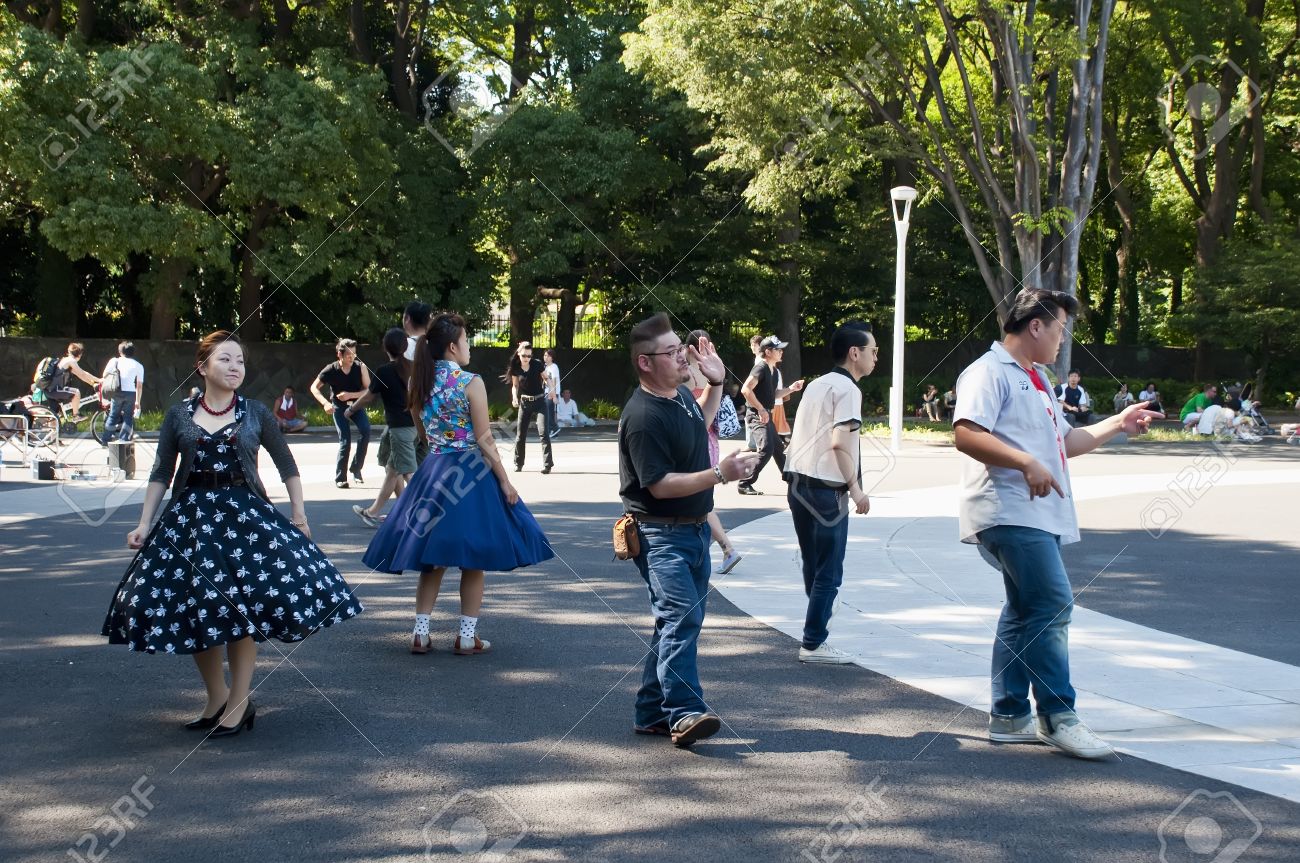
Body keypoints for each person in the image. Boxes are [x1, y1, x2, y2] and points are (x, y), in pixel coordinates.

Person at [101, 331, 362, 738]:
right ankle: (217, 697)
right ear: (202, 366)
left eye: (239, 360)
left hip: (245, 519)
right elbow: (160, 473)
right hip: (190, 522)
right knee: (200, 610)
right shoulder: (179, 415)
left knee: (242, 612)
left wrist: (299, 514)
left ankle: (239, 704)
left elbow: (286, 464)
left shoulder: (256, 412)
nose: (235, 367)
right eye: (225, 360)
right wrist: (143, 522)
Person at [952, 289, 1162, 760]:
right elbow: (966, 433)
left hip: (1035, 514)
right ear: (1035, 326)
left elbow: (1066, 442)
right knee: (1052, 603)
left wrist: (1118, 423)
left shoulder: (1038, 379)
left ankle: (1008, 715)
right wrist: (1025, 462)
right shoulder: (988, 372)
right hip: (1008, 510)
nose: (1062, 340)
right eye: (1061, 329)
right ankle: (1058, 716)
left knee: (1024, 609)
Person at [363, 313, 553, 655]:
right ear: (452, 346)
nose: (469, 348)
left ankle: (420, 632)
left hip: (434, 468)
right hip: (470, 471)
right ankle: (467, 636)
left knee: (431, 557)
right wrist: (506, 481)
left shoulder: (417, 382)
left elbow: (422, 434)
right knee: (473, 556)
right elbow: (484, 438)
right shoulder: (470, 381)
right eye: (466, 341)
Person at [618, 313, 760, 747]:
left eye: (682, 348)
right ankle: (684, 712)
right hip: (661, 535)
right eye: (673, 352)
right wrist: (720, 474)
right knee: (681, 617)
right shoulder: (642, 415)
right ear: (645, 362)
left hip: (694, 531)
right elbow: (658, 484)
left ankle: (650, 711)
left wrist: (715, 385)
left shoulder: (677, 396)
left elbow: (697, 423)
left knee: (671, 623)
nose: (685, 356)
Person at [785, 322, 877, 664]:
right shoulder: (849, 390)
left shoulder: (816, 385)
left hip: (797, 484)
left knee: (814, 561)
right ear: (855, 353)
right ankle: (813, 643)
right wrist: (856, 489)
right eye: (873, 351)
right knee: (830, 571)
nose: (875, 358)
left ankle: (816, 621)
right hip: (826, 491)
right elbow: (840, 443)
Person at [686, 330, 742, 575]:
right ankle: (724, 550)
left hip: (695, 441)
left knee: (702, 503)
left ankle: (727, 549)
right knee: (701, 499)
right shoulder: (713, 369)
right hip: (712, 441)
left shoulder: (687, 374)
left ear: (688, 349)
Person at [350, 328, 418, 528]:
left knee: (407, 472)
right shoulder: (415, 368)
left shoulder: (385, 371)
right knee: (392, 469)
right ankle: (374, 512)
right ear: (405, 346)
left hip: (399, 429)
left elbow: (369, 396)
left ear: (386, 348)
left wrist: (351, 409)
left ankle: (424, 511)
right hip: (413, 426)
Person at [737, 335, 803, 495]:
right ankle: (744, 483)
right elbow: (746, 389)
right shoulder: (761, 367)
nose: (781, 352)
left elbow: (773, 394)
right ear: (768, 351)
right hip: (757, 415)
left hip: (765, 414)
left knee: (778, 448)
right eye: (778, 349)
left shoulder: (773, 371)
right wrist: (760, 409)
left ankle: (792, 480)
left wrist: (791, 389)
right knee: (767, 449)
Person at [311, 338, 372, 488]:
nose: (352, 357)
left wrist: (350, 395)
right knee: (345, 440)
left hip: (356, 406)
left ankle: (356, 468)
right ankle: (341, 478)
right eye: (349, 355)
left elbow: (369, 391)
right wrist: (325, 403)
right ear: (340, 354)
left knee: (366, 431)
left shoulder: (360, 367)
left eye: (354, 354)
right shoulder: (331, 369)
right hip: (338, 407)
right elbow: (314, 388)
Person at [507, 341, 554, 474]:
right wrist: (515, 397)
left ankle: (547, 465)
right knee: (520, 435)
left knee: (544, 433)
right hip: (525, 403)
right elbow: (515, 386)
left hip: (540, 401)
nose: (527, 358)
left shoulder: (537, 364)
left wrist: (551, 389)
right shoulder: (516, 367)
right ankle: (518, 463)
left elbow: (546, 378)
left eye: (529, 356)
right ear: (519, 354)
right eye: (524, 356)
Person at [34, 342, 100, 419]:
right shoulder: (71, 361)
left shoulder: (66, 360)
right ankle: (76, 415)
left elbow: (81, 375)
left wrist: (93, 384)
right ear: (80, 354)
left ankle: (53, 427)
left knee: (55, 416)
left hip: (50, 389)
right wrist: (99, 380)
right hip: (54, 390)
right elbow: (83, 374)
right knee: (76, 393)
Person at [101, 341, 145, 442]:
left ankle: (105, 440)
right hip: (130, 393)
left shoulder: (114, 361)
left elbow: (104, 375)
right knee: (128, 417)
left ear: (120, 351)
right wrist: (138, 401)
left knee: (113, 415)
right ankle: (123, 440)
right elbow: (139, 385)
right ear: (133, 352)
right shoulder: (138, 365)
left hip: (117, 391)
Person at [542, 349, 561, 439]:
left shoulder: (554, 367)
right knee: (547, 412)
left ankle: (554, 428)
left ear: (551, 358)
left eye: (547, 356)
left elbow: (553, 380)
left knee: (549, 412)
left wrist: (552, 394)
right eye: (545, 355)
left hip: (552, 392)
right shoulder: (545, 367)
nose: (545, 357)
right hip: (546, 392)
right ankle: (553, 431)